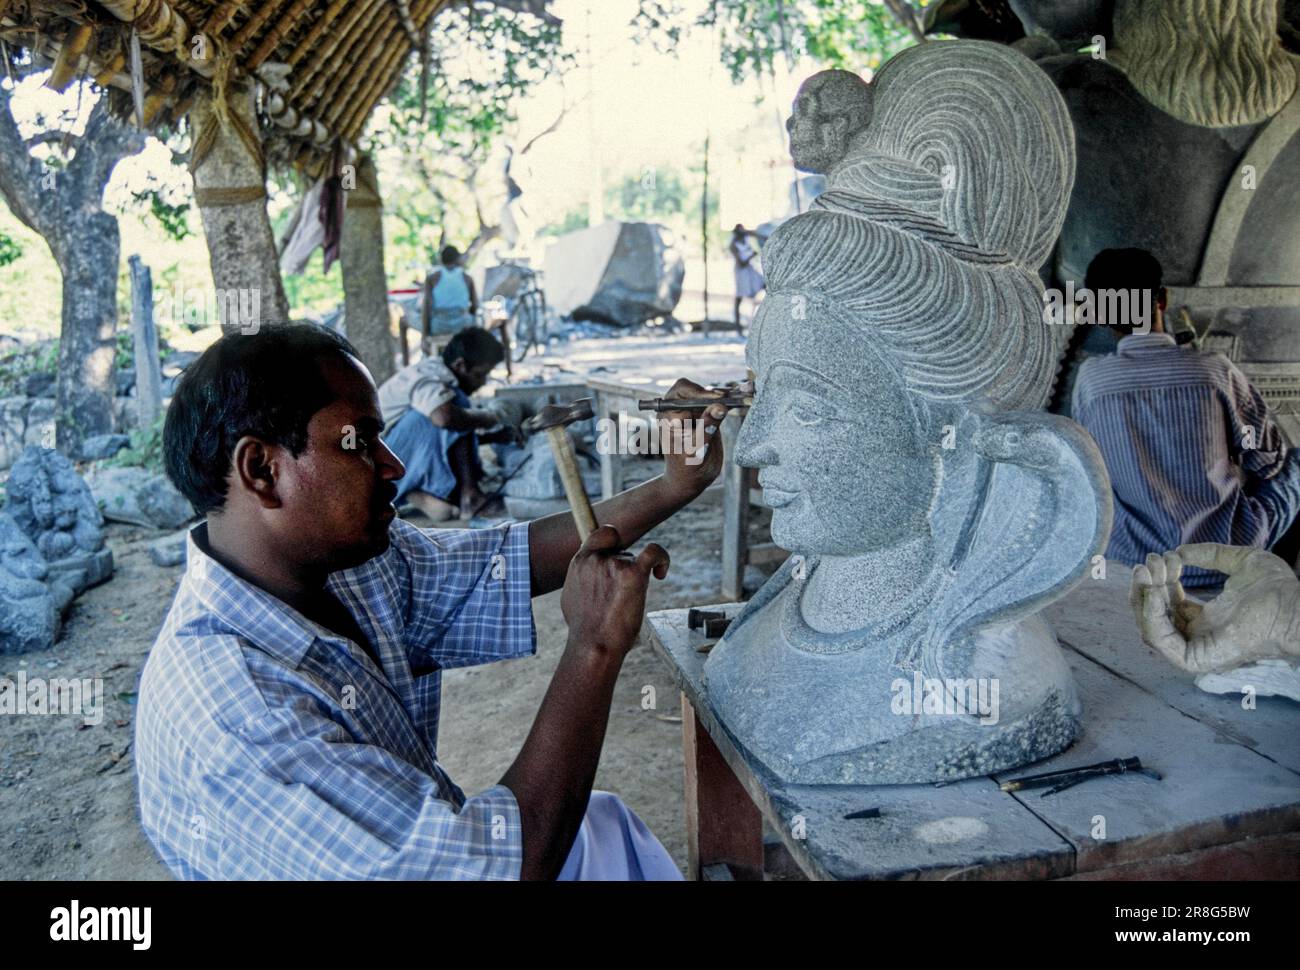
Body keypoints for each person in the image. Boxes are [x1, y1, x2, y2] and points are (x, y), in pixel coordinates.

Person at [137, 322, 733, 880]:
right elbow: (500, 873)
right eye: (360, 442)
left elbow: (506, 561)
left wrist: (674, 485)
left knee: (601, 827)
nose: (393, 465)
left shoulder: (334, 568)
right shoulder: (240, 718)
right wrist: (594, 647)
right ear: (262, 469)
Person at [1071, 248, 1300, 586]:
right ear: (1162, 299)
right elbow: (1267, 461)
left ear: (1099, 313)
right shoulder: (1214, 371)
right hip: (1224, 557)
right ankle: (1278, 584)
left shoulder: (1091, 381)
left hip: (1137, 562)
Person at [378, 326, 512, 521]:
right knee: (453, 409)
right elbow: (445, 419)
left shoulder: (441, 373)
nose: (483, 382)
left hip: (397, 458)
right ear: (460, 365)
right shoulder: (430, 378)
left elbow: (445, 440)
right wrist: (490, 417)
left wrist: (493, 437)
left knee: (456, 410)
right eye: (480, 374)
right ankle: (469, 497)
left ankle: (420, 495)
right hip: (383, 467)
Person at [421, 245, 478, 350]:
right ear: (457, 258)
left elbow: (426, 309)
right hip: (462, 325)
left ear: (441, 259)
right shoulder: (467, 278)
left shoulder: (433, 278)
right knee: (477, 320)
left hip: (439, 326)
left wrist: (424, 336)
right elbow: (475, 305)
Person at [730, 224, 764, 332]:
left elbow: (754, 233)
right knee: (739, 297)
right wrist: (752, 255)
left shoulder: (745, 238)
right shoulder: (733, 245)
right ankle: (737, 326)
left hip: (750, 269)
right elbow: (741, 264)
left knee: (765, 284)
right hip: (742, 272)